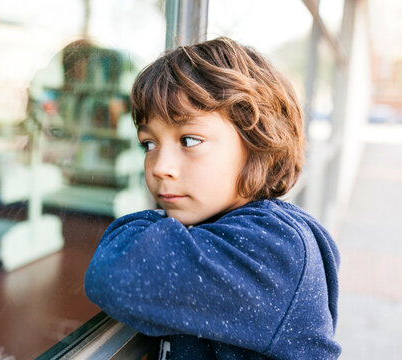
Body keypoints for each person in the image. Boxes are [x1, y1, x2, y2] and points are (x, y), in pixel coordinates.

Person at [84, 36, 341, 360]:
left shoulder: (273, 247)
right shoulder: (222, 226)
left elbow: (115, 273)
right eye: (149, 144)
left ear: (257, 143)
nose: (161, 167)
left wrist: (155, 224)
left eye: (189, 140)